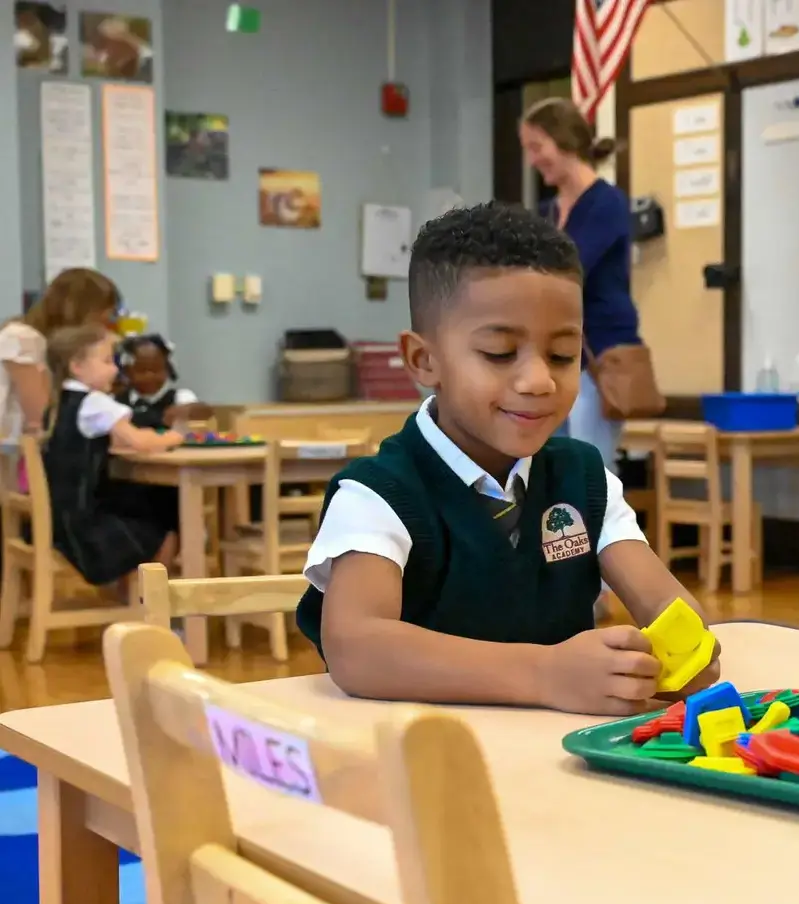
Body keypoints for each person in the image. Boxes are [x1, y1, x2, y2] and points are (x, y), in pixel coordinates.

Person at [294, 202, 720, 715]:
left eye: (563, 355)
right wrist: (544, 675)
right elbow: (357, 649)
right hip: (424, 761)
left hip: (555, 761)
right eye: (499, 353)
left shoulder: (584, 479)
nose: (539, 381)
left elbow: (668, 606)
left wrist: (687, 651)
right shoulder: (379, 493)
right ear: (423, 360)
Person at [520, 97, 640, 474]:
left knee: (590, 472)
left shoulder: (607, 203)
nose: (532, 160)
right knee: (549, 470)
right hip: (553, 360)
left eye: (537, 147)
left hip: (598, 359)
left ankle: (605, 536)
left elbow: (569, 269)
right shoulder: (547, 212)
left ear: (565, 141)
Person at [41, 325, 183, 589]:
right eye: (107, 361)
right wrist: (177, 437)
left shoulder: (58, 401)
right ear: (77, 366)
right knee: (166, 516)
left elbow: (116, 438)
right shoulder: (94, 402)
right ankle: (155, 609)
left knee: (142, 503)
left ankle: (132, 602)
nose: (116, 369)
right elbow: (140, 441)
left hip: (60, 523)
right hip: (86, 533)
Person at [0, 268, 120, 443]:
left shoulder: (47, 342)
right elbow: (40, 414)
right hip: (14, 453)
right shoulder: (22, 338)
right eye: (100, 318)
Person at [115, 333, 215, 429]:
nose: (150, 376)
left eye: (156, 369)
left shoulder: (179, 397)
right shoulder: (118, 400)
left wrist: (189, 410)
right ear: (127, 372)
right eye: (142, 371)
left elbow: (205, 413)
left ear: (168, 370)